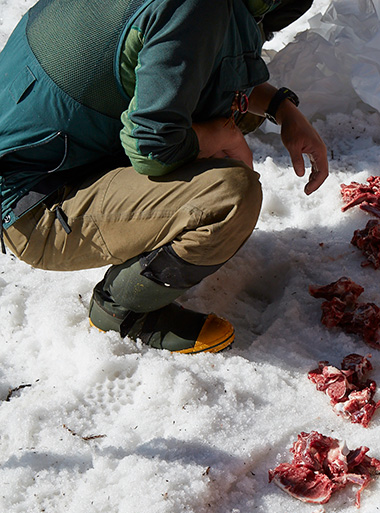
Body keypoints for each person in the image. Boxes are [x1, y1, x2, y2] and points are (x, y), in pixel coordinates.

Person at [0, 0, 329, 354]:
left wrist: (282, 108)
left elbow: (208, 62)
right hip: (31, 203)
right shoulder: (196, 8)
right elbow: (151, 146)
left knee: (220, 114)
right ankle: (122, 309)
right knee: (229, 197)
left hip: (55, 145)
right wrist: (222, 135)